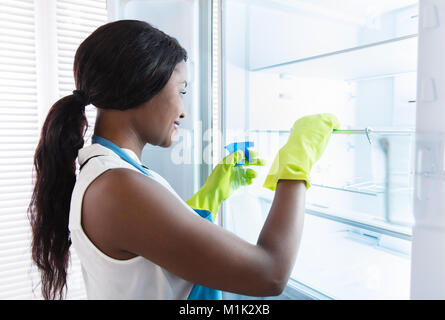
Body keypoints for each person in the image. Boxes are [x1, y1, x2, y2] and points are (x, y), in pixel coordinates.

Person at [28, 20, 339, 300]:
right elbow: (269, 274)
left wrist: (211, 195)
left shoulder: (112, 169)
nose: (183, 111)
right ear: (143, 84)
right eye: (182, 91)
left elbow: (153, 249)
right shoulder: (116, 186)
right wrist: (295, 165)